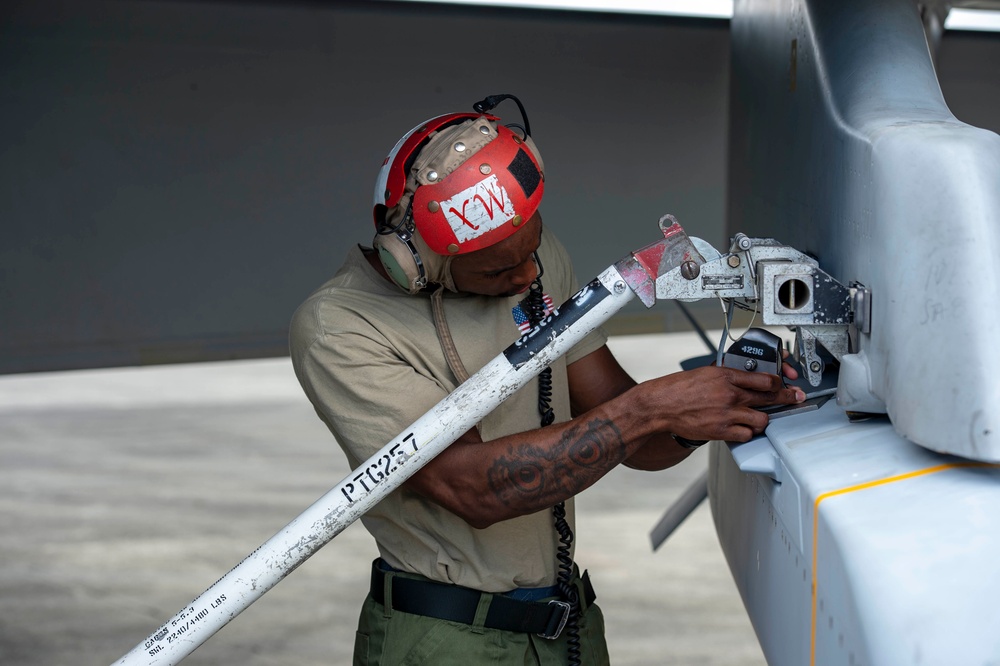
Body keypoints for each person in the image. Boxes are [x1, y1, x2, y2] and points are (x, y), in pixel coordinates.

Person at [288, 94, 805, 666]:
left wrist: (706, 406)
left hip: (566, 629)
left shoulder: (536, 261)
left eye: (533, 250)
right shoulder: (339, 327)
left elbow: (637, 437)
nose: (528, 274)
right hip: (445, 640)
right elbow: (473, 489)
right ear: (415, 263)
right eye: (500, 270)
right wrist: (652, 409)